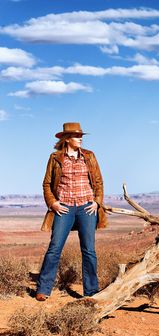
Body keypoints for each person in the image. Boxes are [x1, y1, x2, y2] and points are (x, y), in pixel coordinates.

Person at [36, 122, 107, 301]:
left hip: (86, 207)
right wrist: (53, 203)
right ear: (67, 139)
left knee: (89, 250)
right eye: (76, 136)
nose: (80, 138)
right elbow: (46, 184)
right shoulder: (55, 158)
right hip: (64, 208)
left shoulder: (89, 156)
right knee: (55, 248)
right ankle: (43, 289)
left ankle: (91, 291)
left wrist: (97, 202)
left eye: (81, 135)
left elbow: (98, 182)